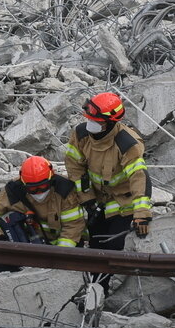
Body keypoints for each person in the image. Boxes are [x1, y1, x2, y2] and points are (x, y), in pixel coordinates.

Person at [62, 92, 152, 253]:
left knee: (115, 247)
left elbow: (139, 178)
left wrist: (141, 214)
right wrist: (86, 197)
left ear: (111, 122)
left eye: (97, 121)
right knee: (96, 245)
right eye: (89, 119)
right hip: (97, 202)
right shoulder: (81, 134)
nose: (91, 124)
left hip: (123, 204)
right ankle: (96, 278)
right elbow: (74, 166)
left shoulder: (127, 144)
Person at [0, 156, 88, 272]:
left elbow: (73, 227)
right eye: (32, 189)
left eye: (42, 186)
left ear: (51, 178)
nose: (39, 192)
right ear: (23, 183)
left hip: (62, 244)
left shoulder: (64, 191)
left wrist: (58, 256)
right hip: (29, 244)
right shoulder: (13, 192)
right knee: (0, 265)